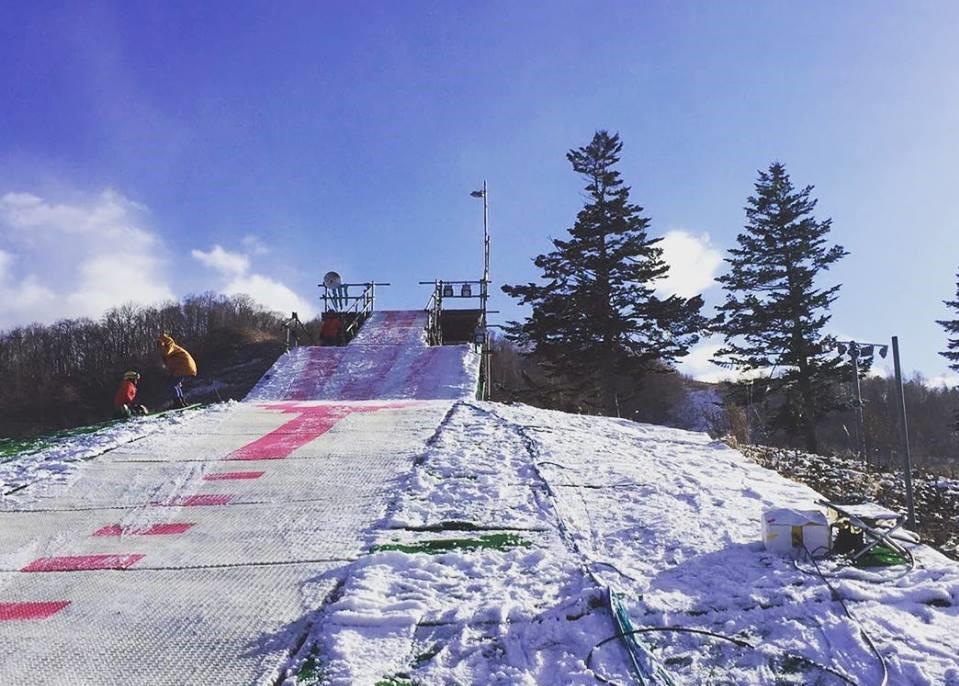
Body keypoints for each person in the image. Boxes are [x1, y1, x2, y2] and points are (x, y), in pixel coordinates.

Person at [156, 333, 197, 408]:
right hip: (184, 368)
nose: (160, 349)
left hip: (185, 367)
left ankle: (178, 402)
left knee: (172, 384)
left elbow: (168, 346)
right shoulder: (168, 355)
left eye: (161, 347)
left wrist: (163, 337)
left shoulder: (171, 347)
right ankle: (182, 402)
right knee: (175, 384)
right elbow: (171, 366)